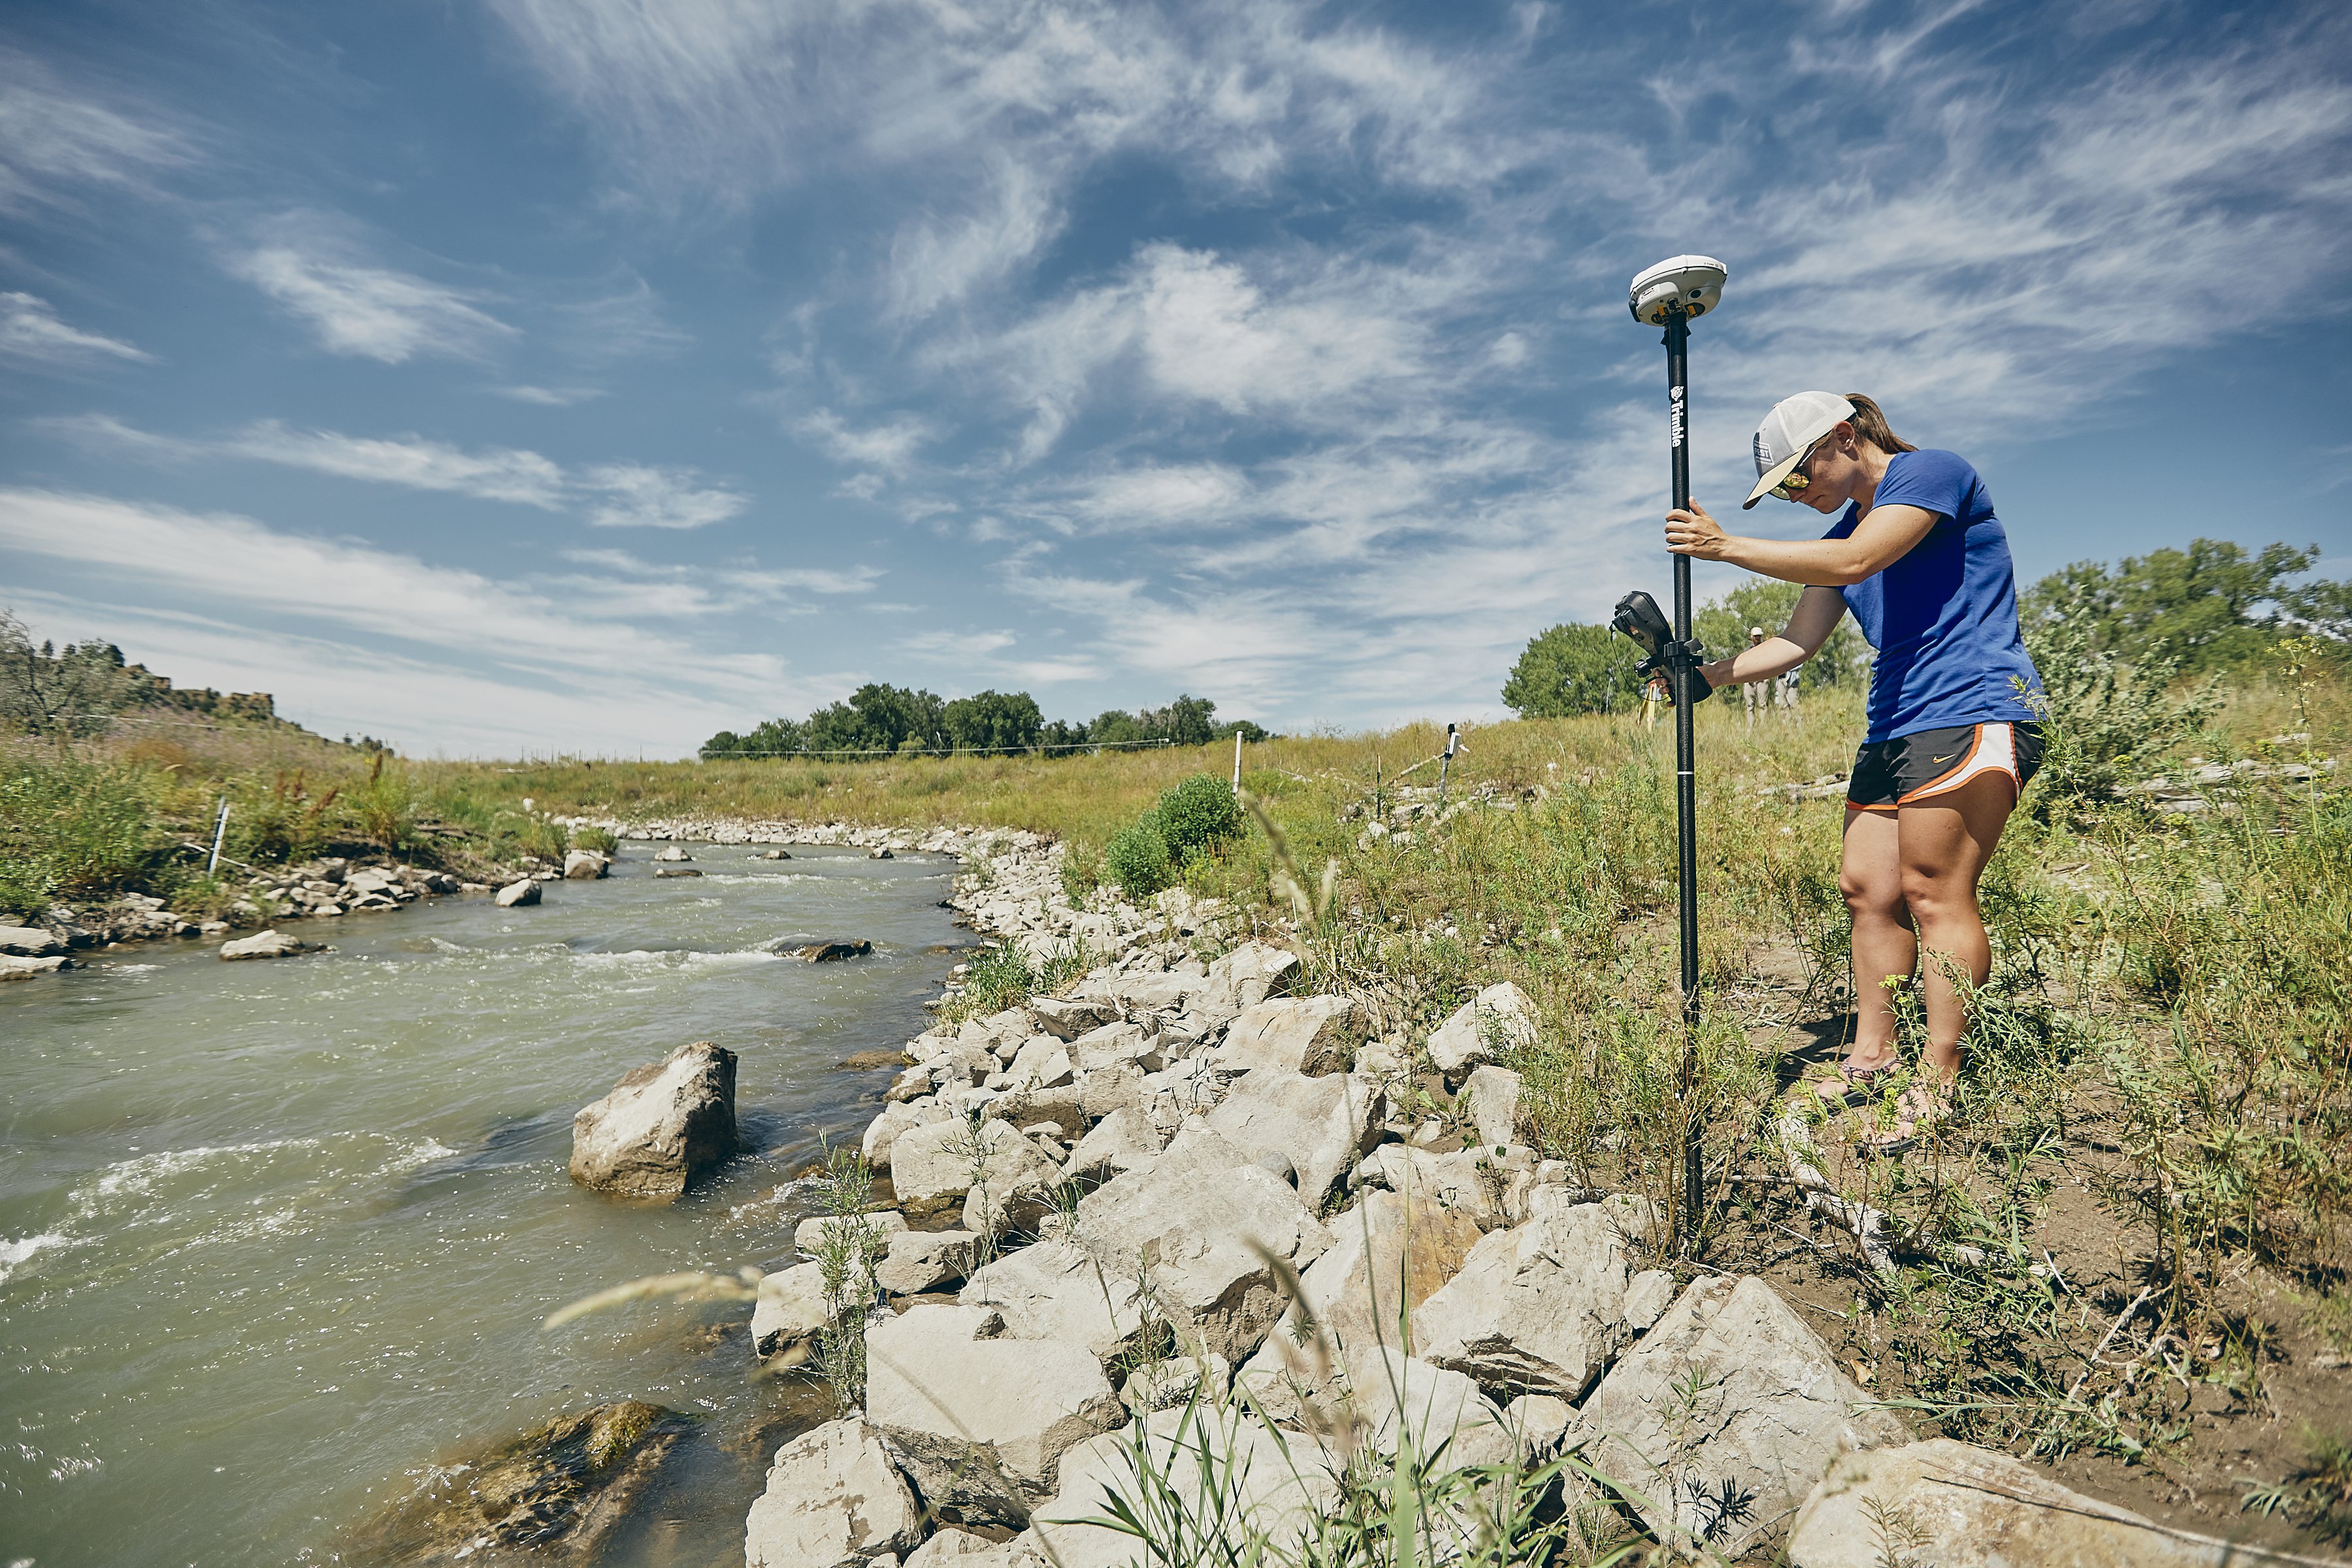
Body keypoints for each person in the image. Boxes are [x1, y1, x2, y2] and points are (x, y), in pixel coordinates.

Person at [1663, 391, 2043, 1152]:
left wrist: (1726, 546)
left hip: (1969, 705)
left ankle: (1939, 1081)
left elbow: (1864, 558)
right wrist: (1703, 677)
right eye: (1786, 494)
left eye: (1798, 481)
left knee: (1935, 893)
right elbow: (1797, 641)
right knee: (1868, 888)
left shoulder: (1932, 475)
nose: (1799, 500)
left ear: (1843, 436)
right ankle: (1872, 1057)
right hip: (1894, 722)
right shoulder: (1840, 532)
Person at [1742, 628, 1769, 725]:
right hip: (1750, 679)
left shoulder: (1765, 649)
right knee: (1750, 705)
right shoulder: (1747, 651)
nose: (1758, 638)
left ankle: (1763, 727)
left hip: (1762, 679)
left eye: (1759, 636)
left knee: (1762, 704)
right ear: (1752, 637)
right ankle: (1750, 727)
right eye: (1756, 636)